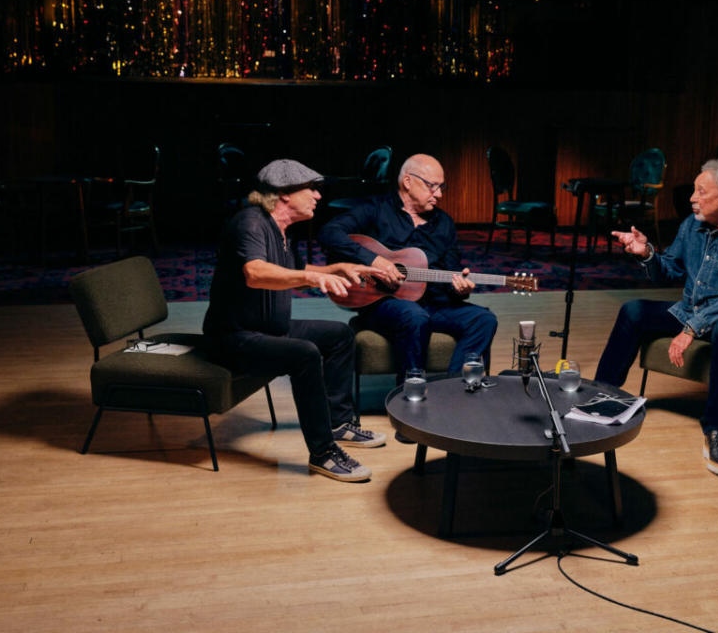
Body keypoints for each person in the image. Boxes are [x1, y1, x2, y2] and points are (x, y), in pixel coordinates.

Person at [203, 159, 387, 483]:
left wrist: (343, 268)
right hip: (233, 336)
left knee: (340, 336)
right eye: (311, 189)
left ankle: (339, 423)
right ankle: (323, 453)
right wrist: (312, 277)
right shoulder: (250, 223)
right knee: (304, 354)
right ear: (285, 194)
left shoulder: (281, 231)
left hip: (269, 328)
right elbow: (255, 273)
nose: (318, 195)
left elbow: (301, 274)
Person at [594, 158, 718, 476]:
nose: (692, 197)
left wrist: (691, 328)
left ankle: (717, 431)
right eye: (693, 190)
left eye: (701, 191)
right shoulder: (692, 224)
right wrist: (647, 252)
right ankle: (601, 397)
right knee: (633, 310)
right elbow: (670, 269)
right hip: (692, 312)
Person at [318, 153, 498, 379]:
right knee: (414, 316)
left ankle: (454, 391)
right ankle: (410, 393)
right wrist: (373, 260)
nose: (439, 194)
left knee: (484, 319)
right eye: (433, 186)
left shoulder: (444, 223)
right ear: (408, 182)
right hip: (383, 302)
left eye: (442, 187)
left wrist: (458, 289)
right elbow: (329, 233)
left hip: (433, 304)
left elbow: (451, 275)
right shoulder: (376, 209)